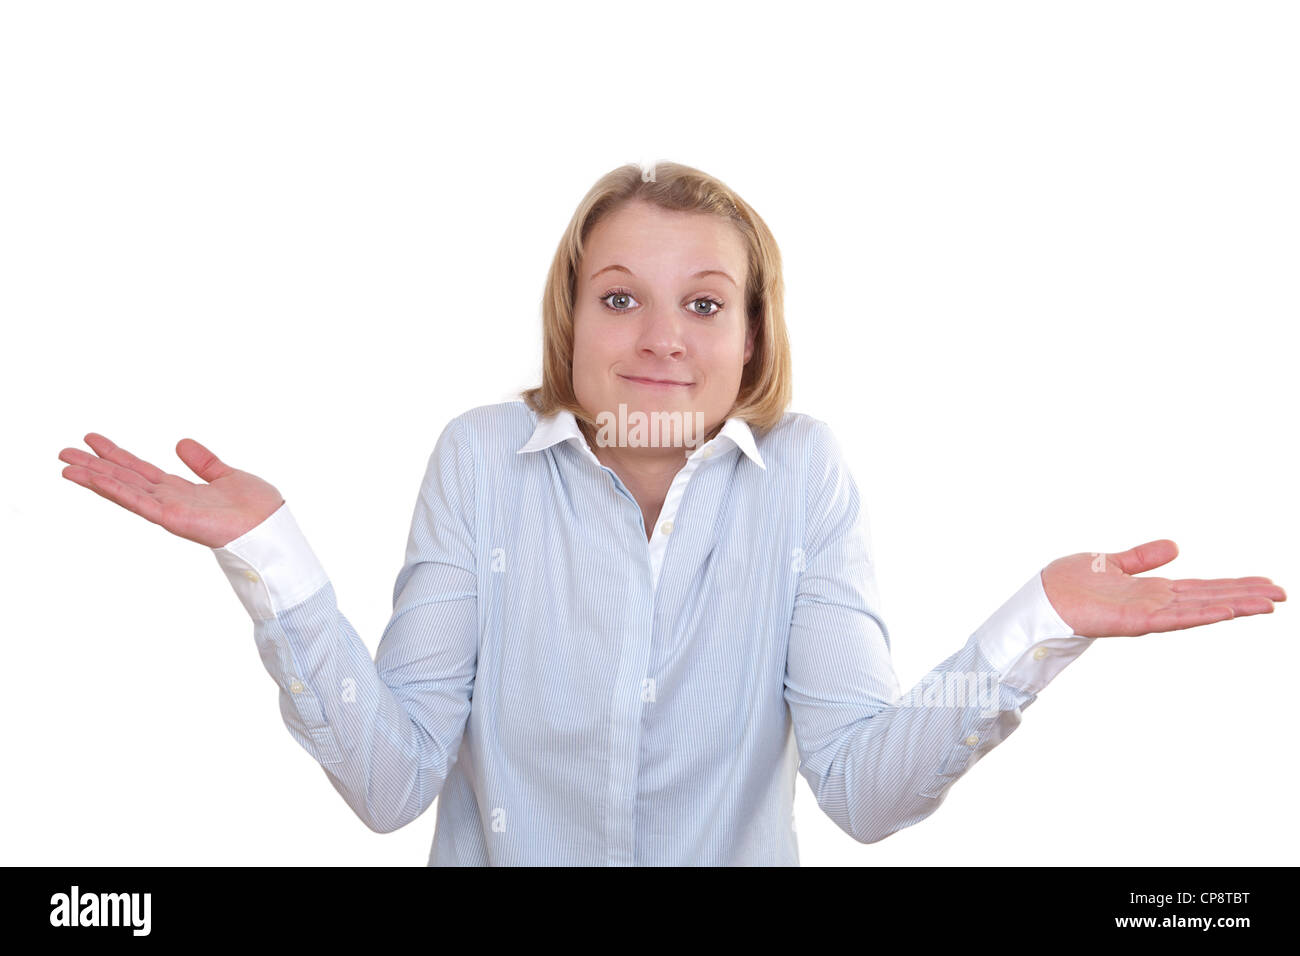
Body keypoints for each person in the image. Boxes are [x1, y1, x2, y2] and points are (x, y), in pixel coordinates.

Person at [57, 160, 1286, 866]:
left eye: (703, 303)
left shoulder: (805, 472)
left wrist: (1038, 626)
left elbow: (860, 789)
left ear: (753, 331)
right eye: (618, 296)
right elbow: (392, 783)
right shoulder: (480, 459)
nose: (658, 339)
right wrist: (273, 562)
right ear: (569, 318)